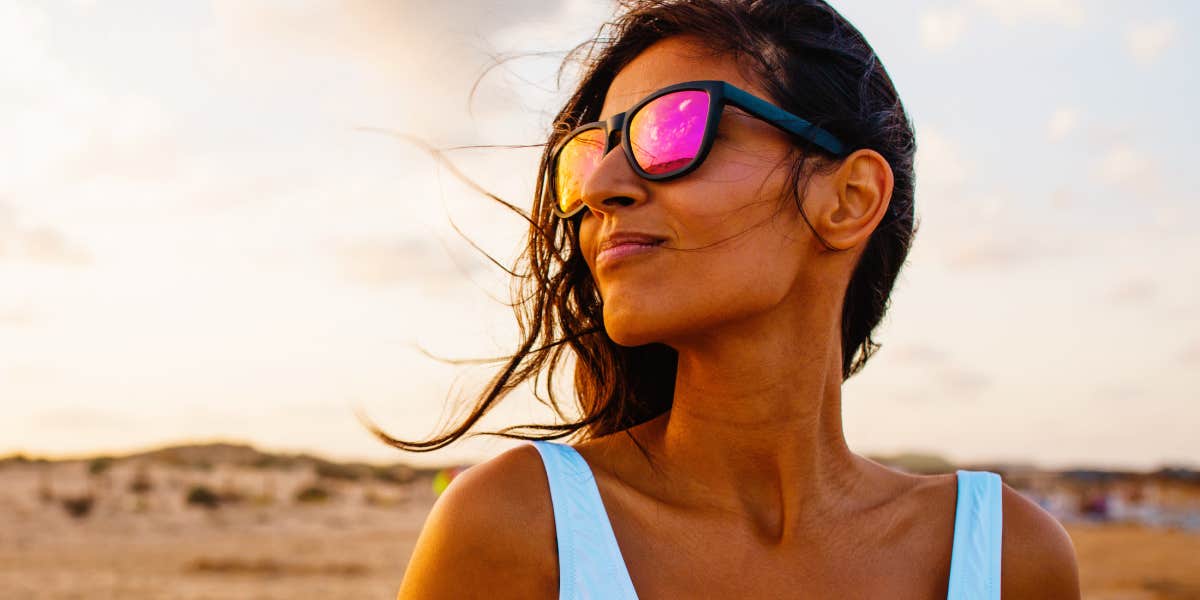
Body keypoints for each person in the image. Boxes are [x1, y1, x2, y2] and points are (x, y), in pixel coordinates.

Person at [390, 1, 1081, 597]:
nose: (602, 186)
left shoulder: (1006, 557)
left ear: (849, 199)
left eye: (674, 129)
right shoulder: (516, 526)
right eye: (590, 152)